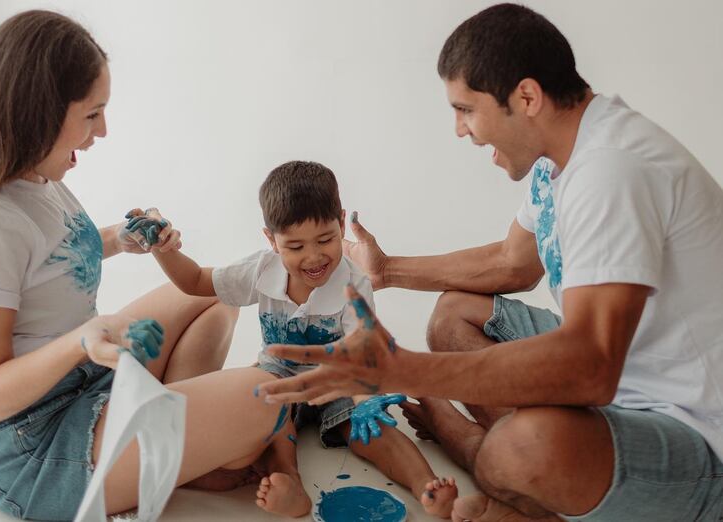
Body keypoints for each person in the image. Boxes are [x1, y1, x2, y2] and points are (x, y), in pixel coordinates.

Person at [257, 3, 723, 522]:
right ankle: (518, 475)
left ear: (526, 97)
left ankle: (503, 473)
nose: (460, 129)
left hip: (696, 430)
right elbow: (512, 263)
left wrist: (407, 371)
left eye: (466, 109)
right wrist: (384, 270)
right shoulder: (566, 153)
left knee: (522, 450)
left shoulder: (611, 172)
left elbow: (591, 370)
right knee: (455, 314)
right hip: (622, 372)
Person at [0, 10, 292, 521]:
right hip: (34, 448)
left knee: (214, 293)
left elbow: (52, 258)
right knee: (270, 399)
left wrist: (122, 238)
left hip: (87, 378)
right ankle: (182, 444)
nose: (104, 130)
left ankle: (175, 443)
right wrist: (83, 338)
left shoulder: (41, 177)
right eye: (92, 114)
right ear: (40, 112)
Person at [144, 159, 459, 518]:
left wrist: (364, 400)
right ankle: (290, 484)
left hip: (337, 379)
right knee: (266, 422)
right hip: (277, 375)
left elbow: (363, 352)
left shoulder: (352, 282)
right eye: (295, 247)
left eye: (326, 239)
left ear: (341, 224)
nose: (313, 257)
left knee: (373, 427)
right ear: (271, 240)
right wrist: (163, 250)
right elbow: (196, 282)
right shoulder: (261, 269)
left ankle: (426, 485)